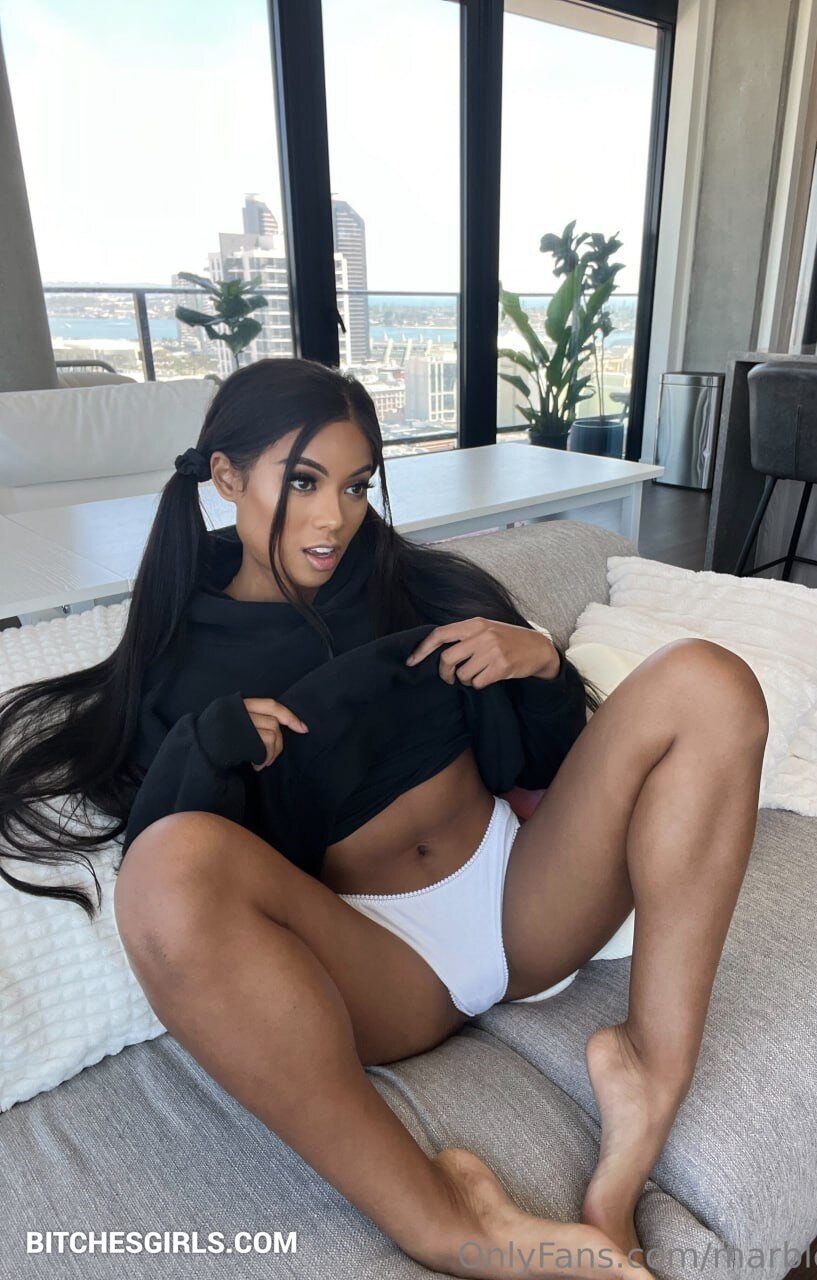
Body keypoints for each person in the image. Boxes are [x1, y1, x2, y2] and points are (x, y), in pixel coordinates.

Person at [0, 357, 769, 1280]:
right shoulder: (179, 654)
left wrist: (539, 666)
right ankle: (443, 1222)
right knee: (166, 868)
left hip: (526, 899)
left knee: (709, 681)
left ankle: (648, 1071)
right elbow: (175, 881)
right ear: (227, 478)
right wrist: (208, 746)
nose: (334, 518)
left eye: (356, 485)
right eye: (303, 482)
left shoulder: (410, 582)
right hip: (382, 972)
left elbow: (548, 768)